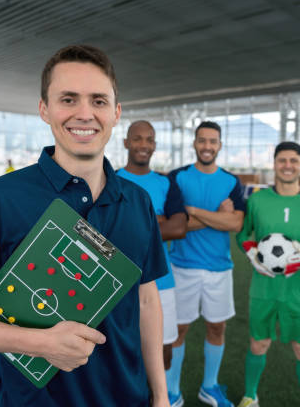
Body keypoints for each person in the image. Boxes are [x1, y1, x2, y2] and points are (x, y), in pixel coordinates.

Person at [0, 44, 170, 407]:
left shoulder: (138, 201)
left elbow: (146, 301)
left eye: (98, 101)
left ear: (116, 112)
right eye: (68, 99)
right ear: (44, 109)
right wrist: (39, 343)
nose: (84, 113)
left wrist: (160, 395)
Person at [236, 141, 300, 407]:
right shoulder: (257, 199)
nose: (287, 166)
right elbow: (243, 235)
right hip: (263, 288)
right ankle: (250, 396)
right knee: (258, 343)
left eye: (293, 161)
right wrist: (253, 254)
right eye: (282, 160)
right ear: (274, 164)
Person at [167, 121, 245, 407]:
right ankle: (172, 392)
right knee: (178, 330)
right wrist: (217, 218)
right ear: (194, 143)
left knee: (216, 328)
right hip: (182, 267)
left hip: (219, 269)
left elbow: (236, 223)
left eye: (213, 141)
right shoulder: (177, 178)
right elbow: (177, 226)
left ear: (220, 145)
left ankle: (209, 386)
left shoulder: (231, 181)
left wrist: (195, 212)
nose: (207, 146)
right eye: (202, 140)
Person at [116, 120, 188, 406]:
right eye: (137, 139)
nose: (143, 145)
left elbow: (179, 228)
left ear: (155, 144)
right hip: (119, 282)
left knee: (164, 349)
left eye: (149, 139)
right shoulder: (111, 179)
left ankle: (161, 396)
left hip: (161, 281)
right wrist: (158, 221)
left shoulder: (165, 183)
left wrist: (131, 224)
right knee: (122, 348)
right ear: (126, 143)